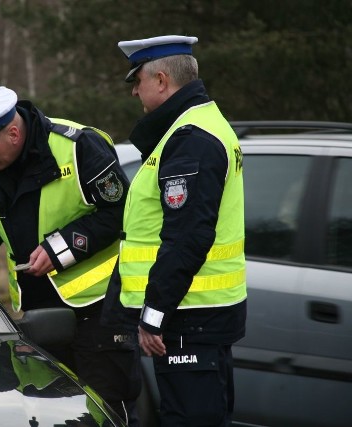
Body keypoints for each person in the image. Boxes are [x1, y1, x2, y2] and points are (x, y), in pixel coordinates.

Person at [0, 86, 140, 425]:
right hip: (38, 318)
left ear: (14, 132)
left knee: (105, 414)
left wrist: (61, 249)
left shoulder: (79, 146)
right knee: (45, 414)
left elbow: (120, 212)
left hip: (98, 313)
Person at [102, 35, 247, 426]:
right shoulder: (195, 126)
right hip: (195, 314)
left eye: (138, 81)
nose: (135, 91)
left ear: (162, 80)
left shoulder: (191, 139)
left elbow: (187, 237)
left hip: (188, 317)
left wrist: (155, 313)